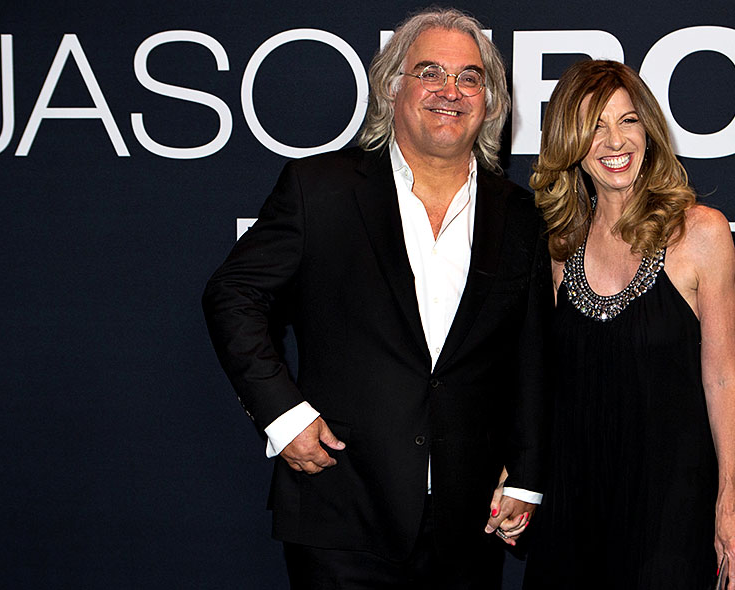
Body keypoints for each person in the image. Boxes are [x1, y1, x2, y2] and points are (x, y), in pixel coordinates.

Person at [202, 8, 550, 589]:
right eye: (430, 72)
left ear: (489, 102)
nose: (450, 91)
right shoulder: (320, 189)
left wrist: (527, 475)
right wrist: (283, 416)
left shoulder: (521, 216)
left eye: (470, 78)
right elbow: (233, 294)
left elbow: (533, 356)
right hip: (342, 510)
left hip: (470, 523)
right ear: (392, 87)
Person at [522, 60, 735, 590]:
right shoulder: (559, 245)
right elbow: (545, 385)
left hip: (669, 509)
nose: (614, 141)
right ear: (570, 143)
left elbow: (722, 377)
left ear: (648, 130)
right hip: (573, 504)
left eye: (628, 120)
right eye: (595, 126)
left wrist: (730, 500)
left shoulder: (701, 233)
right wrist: (520, 476)